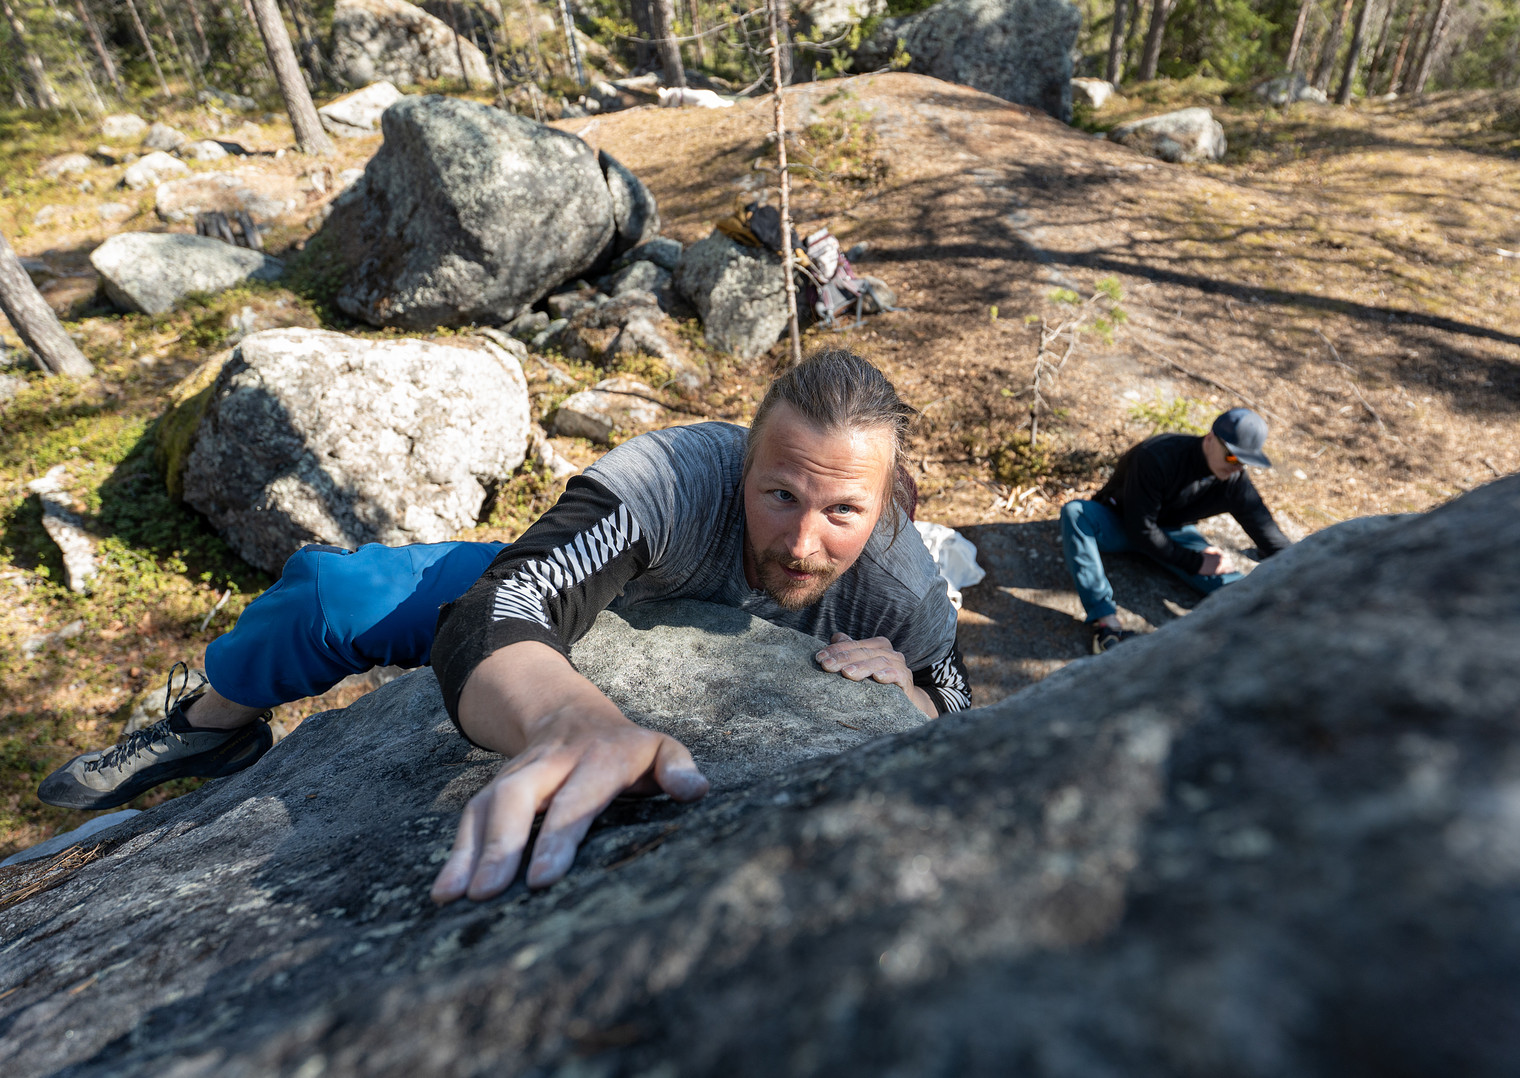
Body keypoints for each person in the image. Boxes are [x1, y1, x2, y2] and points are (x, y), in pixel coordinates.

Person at [39, 349, 971, 903]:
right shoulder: (678, 475)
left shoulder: (903, 589)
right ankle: (210, 726)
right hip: (595, 609)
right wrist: (569, 718)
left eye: (842, 511)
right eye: (779, 494)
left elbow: (967, 717)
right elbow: (503, 604)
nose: (802, 541)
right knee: (333, 596)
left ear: (886, 502)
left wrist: (914, 707)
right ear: (743, 463)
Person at [1060, 407, 1293, 654]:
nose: (1236, 467)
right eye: (1232, 457)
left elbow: (1271, 538)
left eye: (1244, 462)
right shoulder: (1158, 456)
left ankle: (1271, 628)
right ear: (1210, 438)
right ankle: (1106, 623)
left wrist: (1307, 574)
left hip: (1173, 534)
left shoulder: (1234, 482)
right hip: (1120, 523)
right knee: (1076, 513)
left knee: (1234, 584)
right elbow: (1140, 529)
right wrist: (1195, 562)